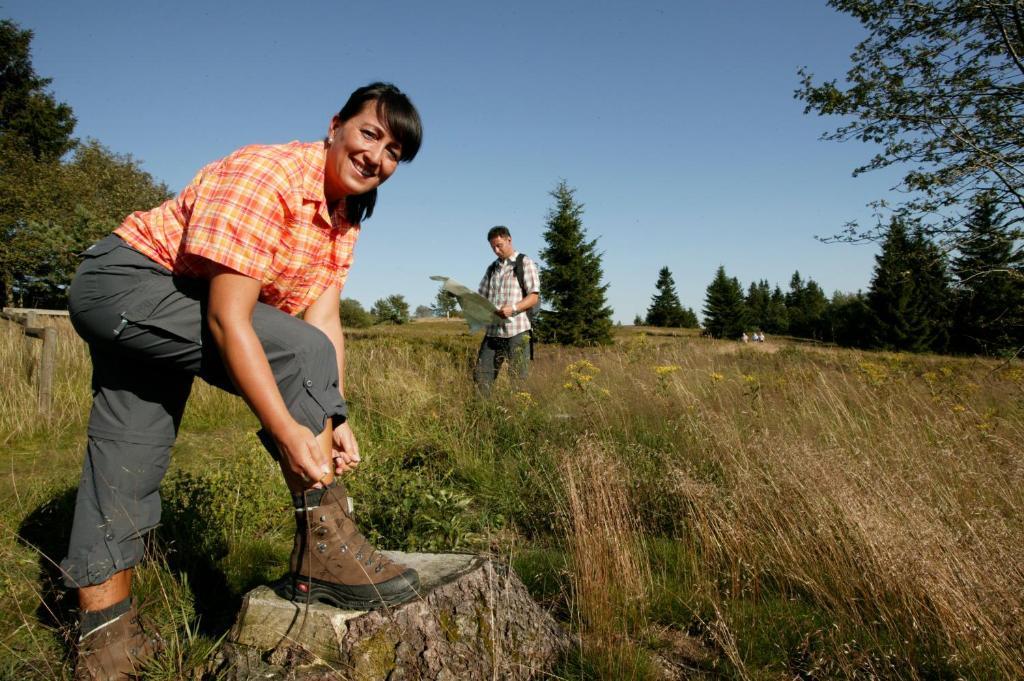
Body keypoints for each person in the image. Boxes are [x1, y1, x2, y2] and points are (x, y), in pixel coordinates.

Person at [62, 82, 422, 680]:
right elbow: (231, 321)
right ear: (335, 125)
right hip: (127, 283)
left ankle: (104, 643)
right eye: (369, 134)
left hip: (167, 297)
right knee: (297, 352)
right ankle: (327, 552)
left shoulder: (342, 217)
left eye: (393, 153)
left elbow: (325, 320)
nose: (376, 157)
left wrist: (336, 415)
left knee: (128, 455)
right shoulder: (269, 174)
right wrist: (287, 430)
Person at [473, 226, 540, 392]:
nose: (496, 250)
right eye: (493, 247)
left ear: (509, 240)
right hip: (493, 332)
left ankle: (518, 415)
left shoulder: (524, 262)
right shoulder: (492, 269)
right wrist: (463, 297)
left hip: (517, 331)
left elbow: (533, 297)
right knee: (482, 377)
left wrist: (514, 308)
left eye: (499, 245)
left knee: (518, 380)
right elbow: (480, 297)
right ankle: (483, 415)